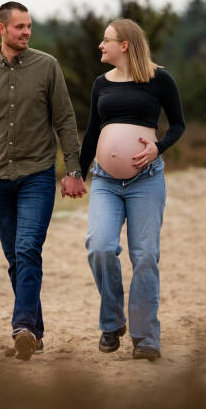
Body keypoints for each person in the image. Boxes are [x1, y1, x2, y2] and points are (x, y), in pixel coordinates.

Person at [0, 1, 87, 361]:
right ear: (1, 29)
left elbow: (65, 119)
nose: (26, 32)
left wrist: (74, 170)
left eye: (29, 26)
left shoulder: (47, 66)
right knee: (15, 259)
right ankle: (36, 332)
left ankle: (22, 328)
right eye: (19, 27)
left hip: (37, 176)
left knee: (28, 248)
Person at [78, 18, 185, 362]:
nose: (100, 45)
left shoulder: (159, 79)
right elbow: (93, 132)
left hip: (147, 180)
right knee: (100, 247)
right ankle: (113, 323)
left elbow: (178, 123)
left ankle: (145, 338)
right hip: (106, 182)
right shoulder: (100, 84)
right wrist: (76, 173)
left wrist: (159, 147)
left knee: (145, 257)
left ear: (124, 45)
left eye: (106, 40)